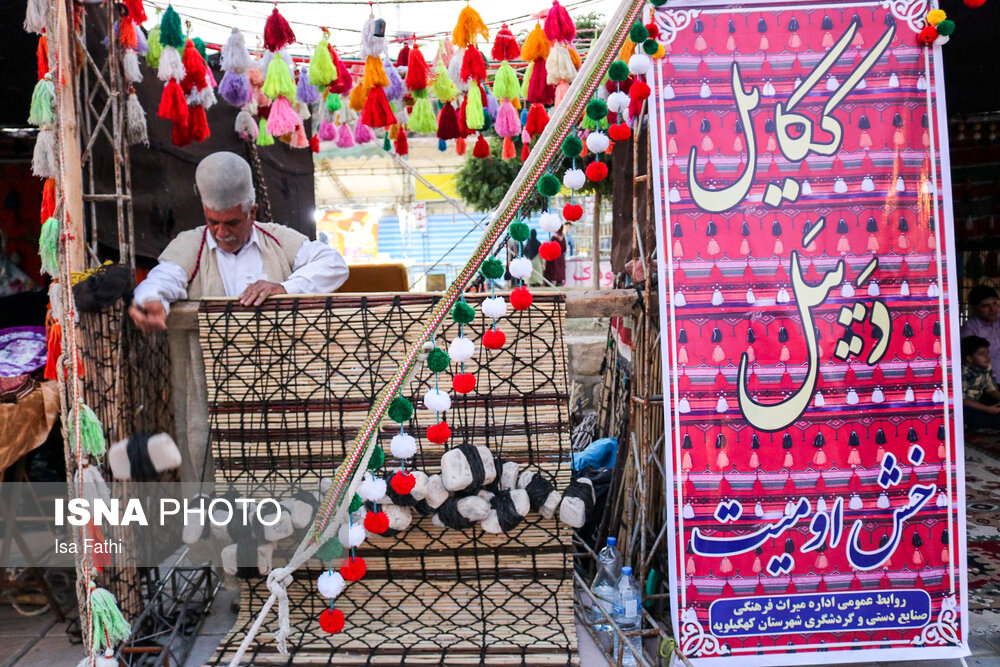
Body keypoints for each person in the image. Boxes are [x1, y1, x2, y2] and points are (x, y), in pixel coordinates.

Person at [130, 152, 349, 332]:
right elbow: (163, 278)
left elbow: (334, 264)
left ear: (252, 213)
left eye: (232, 223)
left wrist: (285, 288)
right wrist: (151, 299)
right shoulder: (192, 246)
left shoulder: (276, 238)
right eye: (213, 222)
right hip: (208, 379)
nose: (221, 232)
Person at [961, 335, 1000, 430]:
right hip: (966, 405)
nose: (987, 357)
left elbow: (991, 389)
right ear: (969, 358)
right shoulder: (963, 371)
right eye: (982, 354)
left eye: (987, 353)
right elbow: (963, 401)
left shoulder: (986, 366)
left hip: (978, 401)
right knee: (976, 418)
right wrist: (988, 409)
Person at [961, 285, 1000, 373]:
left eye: (994, 303)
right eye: (985, 306)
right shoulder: (970, 329)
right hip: (989, 383)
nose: (993, 309)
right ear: (974, 308)